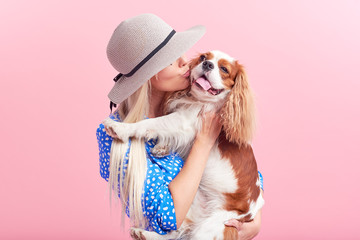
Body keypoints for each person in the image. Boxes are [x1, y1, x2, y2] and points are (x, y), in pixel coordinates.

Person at [96, 13, 264, 239]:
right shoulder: (112, 134)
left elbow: (250, 176)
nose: (185, 61)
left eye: (181, 51)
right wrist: (203, 143)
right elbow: (169, 217)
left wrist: (253, 221)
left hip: (219, 218)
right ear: (149, 75)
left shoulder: (193, 102)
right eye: (171, 57)